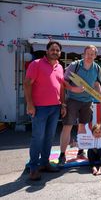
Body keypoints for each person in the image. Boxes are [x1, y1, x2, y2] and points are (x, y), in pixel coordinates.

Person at [24, 41, 66, 180]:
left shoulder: (60, 67)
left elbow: (61, 87)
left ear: (60, 53)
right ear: (47, 51)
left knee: (49, 137)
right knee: (38, 137)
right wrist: (30, 104)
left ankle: (45, 163)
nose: (55, 52)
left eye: (57, 50)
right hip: (39, 108)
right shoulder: (36, 64)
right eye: (52, 49)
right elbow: (27, 83)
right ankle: (33, 168)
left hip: (55, 107)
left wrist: (63, 104)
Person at [59, 45, 101, 165]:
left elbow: (96, 83)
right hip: (72, 100)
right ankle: (62, 155)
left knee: (83, 126)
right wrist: (73, 89)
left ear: (95, 55)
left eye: (92, 54)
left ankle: (80, 151)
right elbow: (64, 82)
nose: (89, 56)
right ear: (84, 54)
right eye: (87, 53)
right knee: (67, 126)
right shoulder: (75, 65)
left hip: (87, 101)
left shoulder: (97, 68)